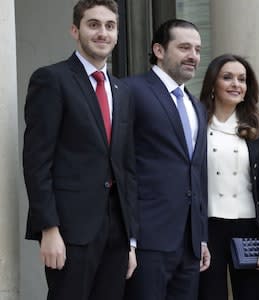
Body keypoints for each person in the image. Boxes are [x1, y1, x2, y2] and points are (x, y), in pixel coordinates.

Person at [22, 0, 137, 299]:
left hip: (116, 231)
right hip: (70, 230)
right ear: (75, 30)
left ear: (117, 34)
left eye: (110, 26)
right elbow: (37, 161)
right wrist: (48, 228)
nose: (103, 33)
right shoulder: (52, 79)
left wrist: (131, 241)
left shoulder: (122, 91)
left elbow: (126, 167)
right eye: (93, 24)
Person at [123, 19, 210, 300]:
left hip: (188, 243)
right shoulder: (130, 91)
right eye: (184, 47)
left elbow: (197, 173)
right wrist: (129, 240)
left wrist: (201, 236)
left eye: (197, 49)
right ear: (158, 50)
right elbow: (122, 165)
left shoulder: (195, 105)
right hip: (148, 239)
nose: (193, 56)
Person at [197, 54, 259, 300]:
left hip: (249, 228)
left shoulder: (258, 128)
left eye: (242, 79)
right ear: (213, 84)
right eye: (227, 77)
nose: (236, 84)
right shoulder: (196, 123)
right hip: (208, 228)